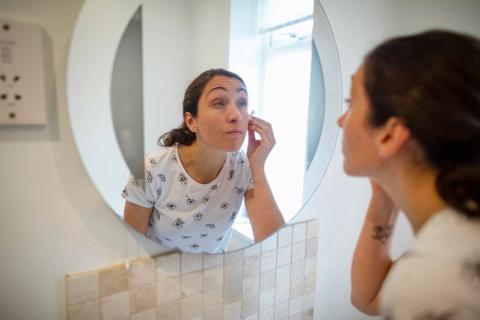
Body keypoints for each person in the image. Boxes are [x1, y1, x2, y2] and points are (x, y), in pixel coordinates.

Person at [338, 30, 480, 319]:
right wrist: (385, 195)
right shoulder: (464, 225)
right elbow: (369, 298)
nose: (341, 121)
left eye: (350, 102)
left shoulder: (432, 280)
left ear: (390, 135)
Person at [121, 68, 285, 253]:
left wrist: (257, 167)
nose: (236, 115)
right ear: (191, 121)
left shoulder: (244, 167)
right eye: (219, 103)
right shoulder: (151, 171)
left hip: (212, 275)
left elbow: (276, 249)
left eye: (242, 103)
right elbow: (131, 249)